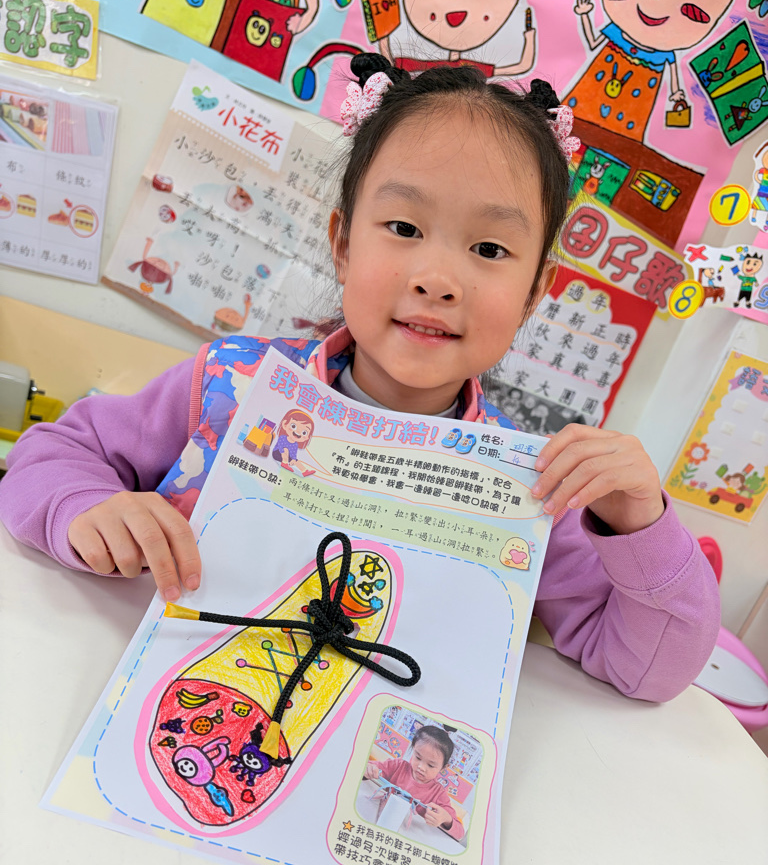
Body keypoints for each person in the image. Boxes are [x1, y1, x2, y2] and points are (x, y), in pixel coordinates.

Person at [0, 54, 719, 704]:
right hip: (162, 700)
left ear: (536, 290)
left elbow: (649, 670)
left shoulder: (531, 487)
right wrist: (84, 509)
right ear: (343, 243)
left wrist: (640, 522)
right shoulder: (230, 382)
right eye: (404, 229)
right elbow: (51, 456)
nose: (437, 279)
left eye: (490, 247)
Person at [365, 726, 462, 837]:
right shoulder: (398, 766)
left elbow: (460, 833)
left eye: (430, 765)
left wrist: (446, 818)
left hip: (406, 835)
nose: (421, 767)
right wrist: (368, 769)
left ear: (443, 768)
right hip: (378, 820)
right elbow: (366, 768)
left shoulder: (438, 793)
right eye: (418, 757)